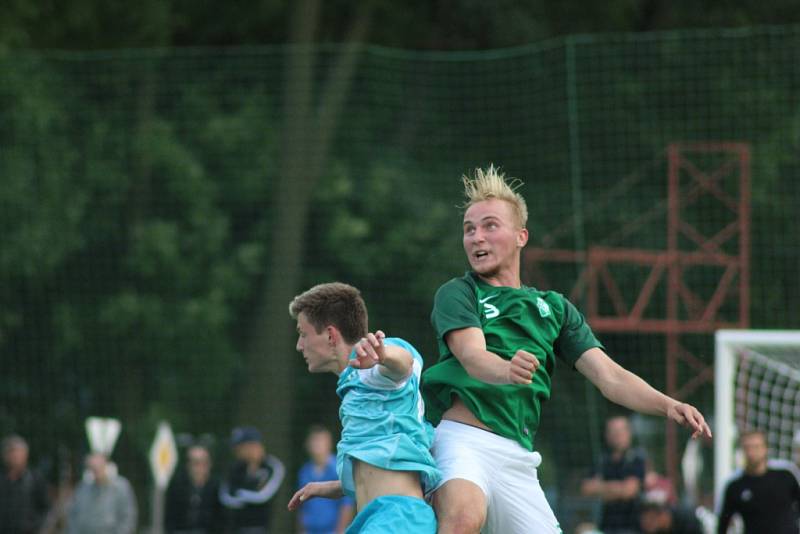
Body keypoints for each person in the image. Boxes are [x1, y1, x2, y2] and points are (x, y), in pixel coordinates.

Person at [421, 165, 713, 534]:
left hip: (517, 456)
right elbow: (472, 355)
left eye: (490, 225)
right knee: (463, 520)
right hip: (463, 441)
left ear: (521, 236)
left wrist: (668, 404)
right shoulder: (459, 292)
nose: (476, 237)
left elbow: (610, 377)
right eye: (469, 229)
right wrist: (506, 369)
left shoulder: (554, 308)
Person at [287, 282, 441, 533]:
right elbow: (379, 467)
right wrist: (331, 488)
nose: (299, 345)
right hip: (375, 519)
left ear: (330, 335)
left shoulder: (371, 368)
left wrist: (383, 354)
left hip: (398, 518)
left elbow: (404, 363)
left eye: (303, 334)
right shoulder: (353, 384)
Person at [716, 429, 800, 534]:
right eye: (747, 447)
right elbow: (723, 523)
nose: (752, 452)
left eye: (756, 447)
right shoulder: (735, 486)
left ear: (765, 448)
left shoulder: (786, 475)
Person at [580, 415, 647, 534]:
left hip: (632, 527)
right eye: (613, 432)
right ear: (606, 435)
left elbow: (629, 491)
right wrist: (619, 488)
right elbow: (587, 489)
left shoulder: (637, 458)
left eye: (620, 431)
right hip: (605, 526)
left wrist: (601, 488)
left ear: (628, 434)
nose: (617, 436)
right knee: (583, 531)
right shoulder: (601, 460)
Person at [219, 426, 285, 534]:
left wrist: (240, 493)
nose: (236, 451)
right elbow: (225, 497)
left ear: (252, 446)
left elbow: (263, 496)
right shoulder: (235, 468)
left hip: (260, 529)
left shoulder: (272, 466)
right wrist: (251, 492)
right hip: (236, 529)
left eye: (239, 447)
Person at [296, 425, 355, 534]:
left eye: (321, 441)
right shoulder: (304, 471)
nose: (317, 445)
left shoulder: (339, 468)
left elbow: (346, 505)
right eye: (314, 441)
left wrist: (340, 531)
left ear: (329, 443)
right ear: (307, 444)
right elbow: (301, 506)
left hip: (332, 530)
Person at [66, 452, 137, 534]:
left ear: (107, 466)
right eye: (93, 468)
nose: (96, 471)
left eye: (99, 467)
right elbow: (73, 516)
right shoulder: (82, 489)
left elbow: (129, 517)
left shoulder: (121, 487)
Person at [164, 444, 223, 533]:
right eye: (195, 463)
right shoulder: (177, 488)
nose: (199, 467)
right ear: (188, 465)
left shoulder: (217, 489)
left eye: (204, 462)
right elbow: (169, 519)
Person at [0, 434, 50, 534]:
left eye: (18, 452)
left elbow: (46, 509)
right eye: (10, 452)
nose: (14, 456)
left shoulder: (35, 479)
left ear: (25, 454)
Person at [639, 491, 703, 534]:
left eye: (651, 519)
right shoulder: (656, 530)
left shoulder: (687, 520)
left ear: (663, 514)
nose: (647, 524)